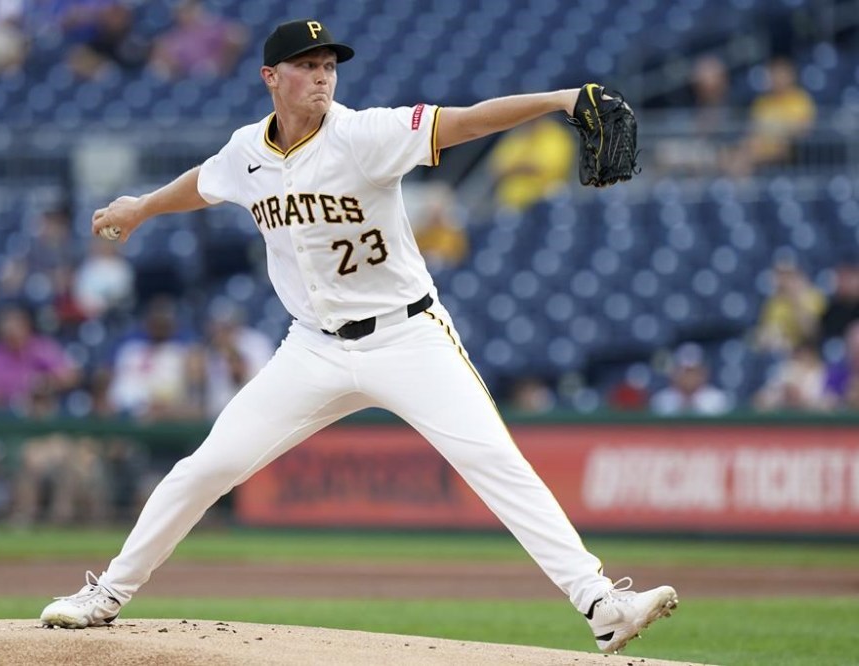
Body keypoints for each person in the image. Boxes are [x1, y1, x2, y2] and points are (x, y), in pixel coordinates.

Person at [40, 20, 678, 653]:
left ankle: (601, 603)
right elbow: (205, 183)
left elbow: (469, 121)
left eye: (329, 66)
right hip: (313, 347)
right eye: (307, 66)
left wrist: (561, 100)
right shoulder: (247, 151)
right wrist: (141, 207)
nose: (322, 76)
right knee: (207, 466)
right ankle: (107, 594)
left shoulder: (365, 134)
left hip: (407, 337)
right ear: (271, 77)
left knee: (495, 462)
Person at [755, 259, 825, 354]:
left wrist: (795, 301)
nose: (784, 280)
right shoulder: (774, 302)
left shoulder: (813, 297)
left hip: (807, 351)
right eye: (781, 275)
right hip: (781, 351)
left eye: (789, 276)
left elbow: (812, 333)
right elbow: (768, 330)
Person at [649, 343, 732, 416]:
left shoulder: (718, 400)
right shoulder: (661, 401)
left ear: (703, 373)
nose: (689, 377)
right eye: (685, 371)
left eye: (693, 371)